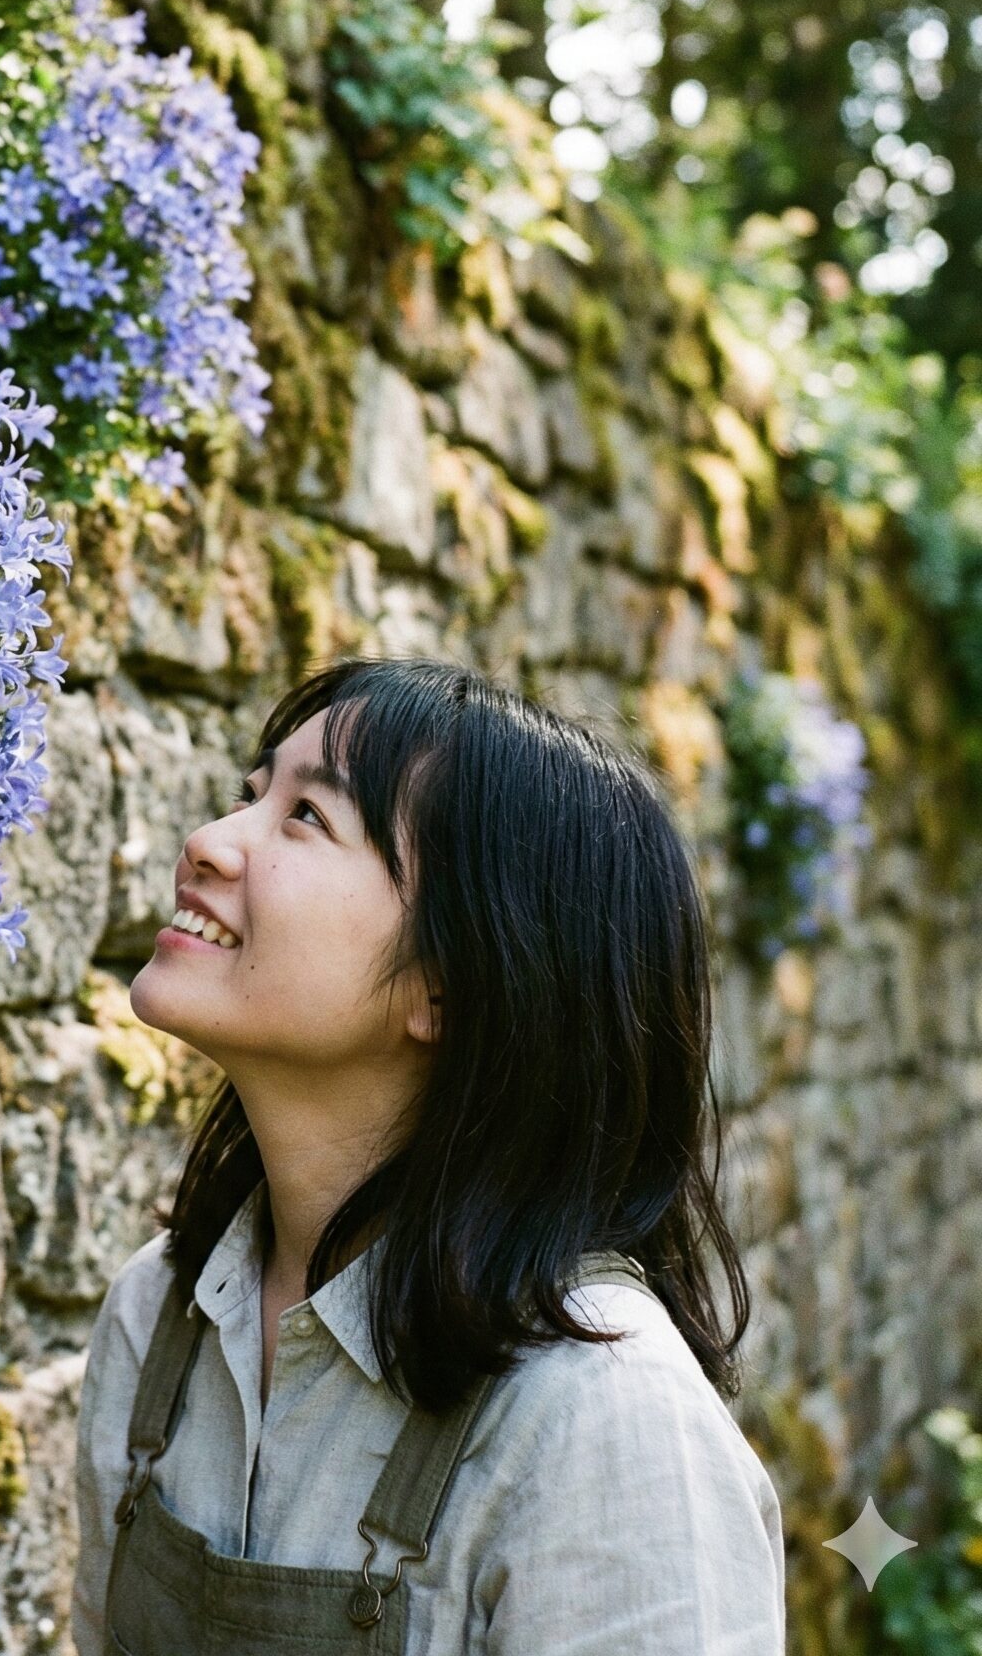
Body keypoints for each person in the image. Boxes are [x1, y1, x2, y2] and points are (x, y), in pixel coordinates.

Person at [72, 656, 787, 1654]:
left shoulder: (603, 1422)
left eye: (306, 816)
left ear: (447, 985)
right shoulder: (157, 1319)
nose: (205, 842)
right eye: (251, 793)